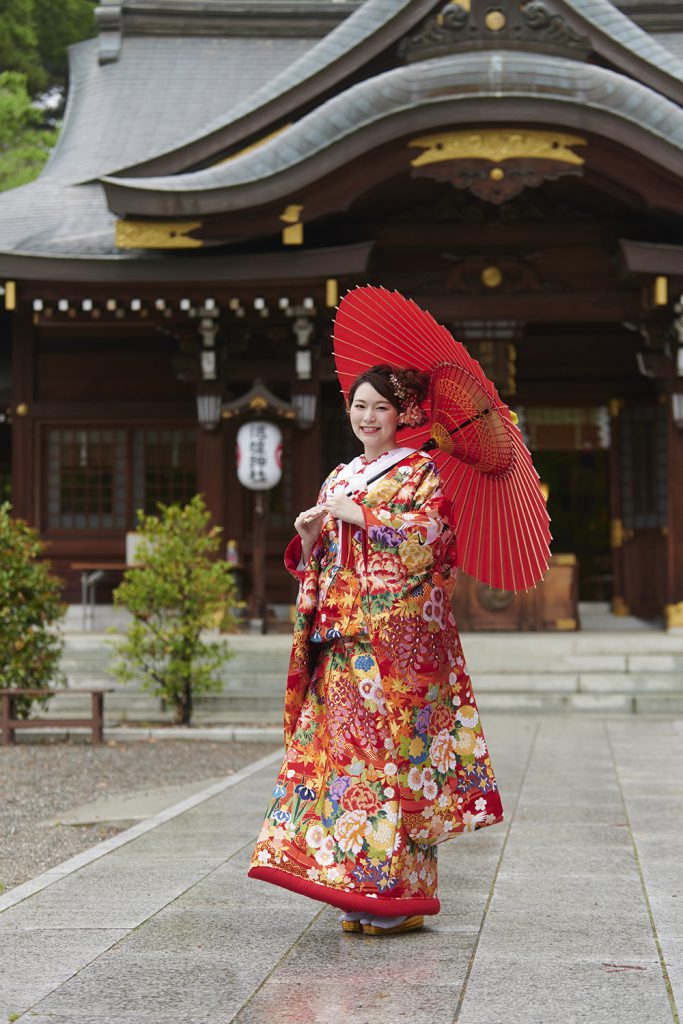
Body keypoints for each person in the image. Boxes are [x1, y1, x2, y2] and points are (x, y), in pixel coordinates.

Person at [248, 364, 503, 935]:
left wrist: (365, 516)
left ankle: (399, 897)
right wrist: (313, 538)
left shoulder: (421, 472)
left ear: (404, 415)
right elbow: (325, 563)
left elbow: (431, 541)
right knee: (342, 770)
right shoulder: (338, 475)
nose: (368, 418)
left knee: (393, 770)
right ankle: (352, 889)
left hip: (391, 652)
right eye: (360, 406)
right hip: (340, 644)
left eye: (381, 408)